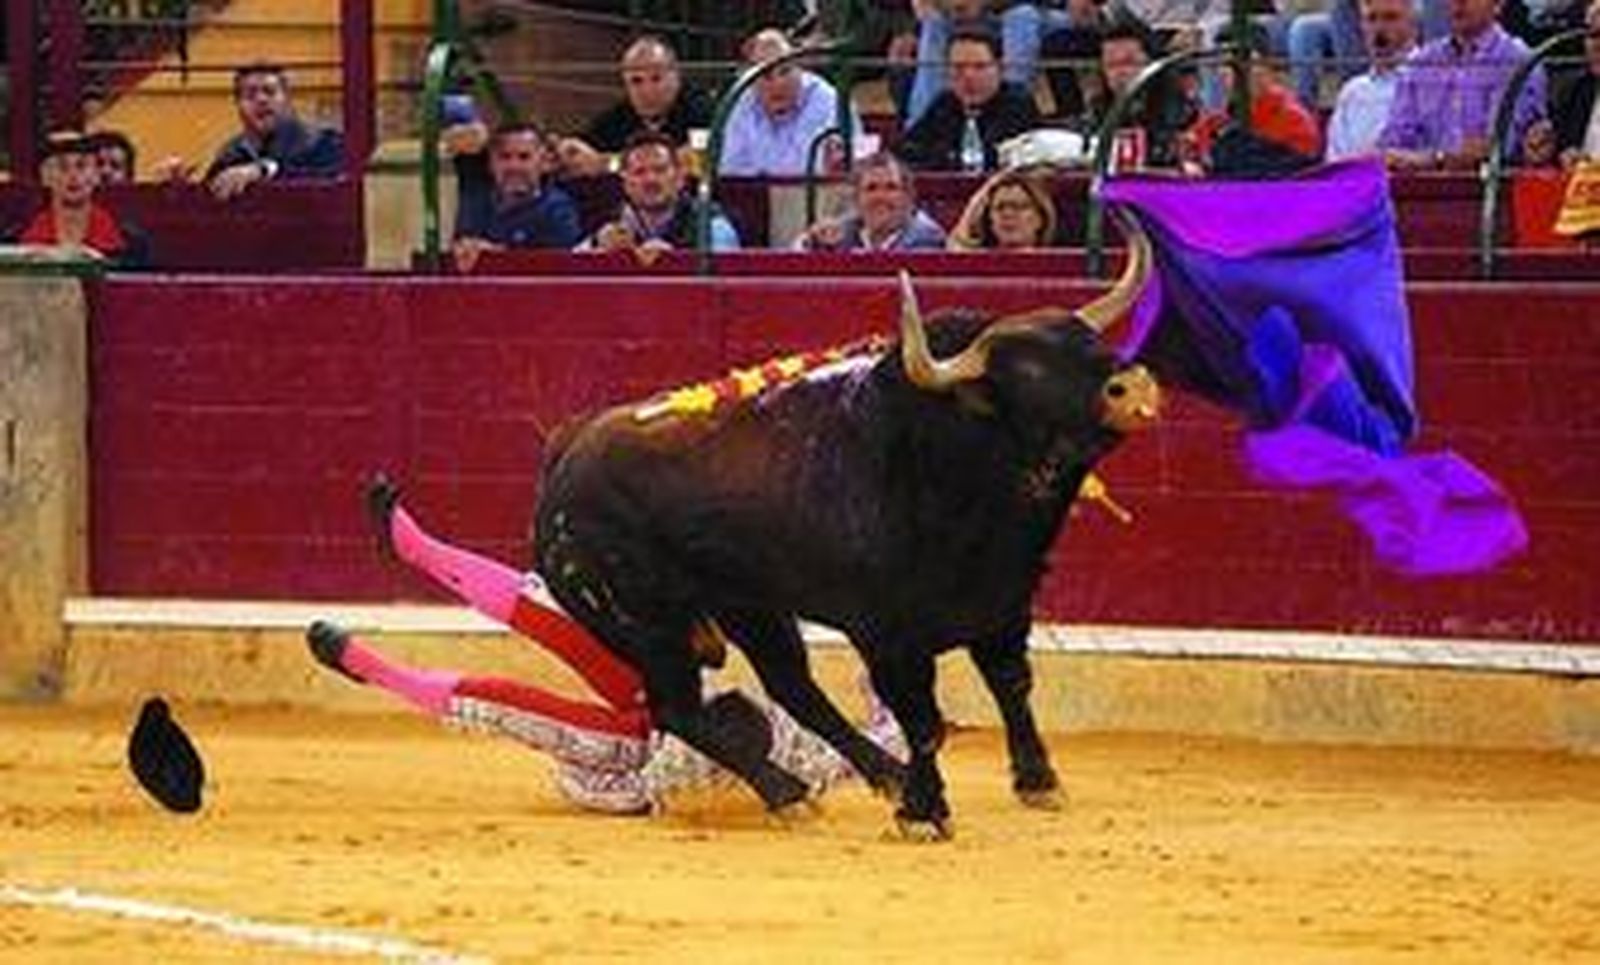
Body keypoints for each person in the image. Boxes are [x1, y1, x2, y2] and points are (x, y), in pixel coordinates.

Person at [307, 477, 904, 814]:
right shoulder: (806, 743)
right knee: (552, 616)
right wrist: (884, 689)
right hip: (668, 702)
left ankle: (378, 672)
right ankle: (420, 551)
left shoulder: (812, 762)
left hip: (633, 759)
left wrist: (592, 784)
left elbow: (607, 790)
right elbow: (886, 737)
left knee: (514, 705)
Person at [1377, 0, 1548, 168]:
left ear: (1498, 4)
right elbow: (1393, 142)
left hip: (1490, 190)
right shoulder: (1423, 62)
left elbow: (1497, 145)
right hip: (1418, 189)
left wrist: (1435, 159)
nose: (1458, 2)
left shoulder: (1517, 61)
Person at [555, 35, 714, 178]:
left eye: (656, 79)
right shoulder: (619, 116)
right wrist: (569, 148)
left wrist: (605, 164)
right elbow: (584, 146)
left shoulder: (700, 108)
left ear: (676, 77)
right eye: (636, 81)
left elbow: (694, 161)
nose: (647, 90)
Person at [576, 130, 740, 262]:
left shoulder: (710, 222)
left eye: (660, 170)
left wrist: (676, 260)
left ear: (679, 178)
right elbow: (571, 265)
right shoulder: (608, 221)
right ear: (625, 183)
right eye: (639, 172)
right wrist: (595, 244)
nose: (650, 179)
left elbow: (724, 266)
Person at [719, 28, 862, 177]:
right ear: (750, 79)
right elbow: (729, 169)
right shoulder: (738, 103)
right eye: (766, 76)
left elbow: (842, 169)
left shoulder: (829, 102)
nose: (778, 84)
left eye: (785, 71)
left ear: (799, 67)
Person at [1182, 23, 1322, 173]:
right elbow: (1184, 153)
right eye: (1224, 64)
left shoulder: (1295, 122)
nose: (1229, 72)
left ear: (1265, 65)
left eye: (1240, 62)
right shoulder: (1214, 122)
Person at [899, 26, 1044, 171]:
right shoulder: (945, 103)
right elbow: (907, 149)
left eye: (979, 67)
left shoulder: (1017, 103)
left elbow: (992, 156)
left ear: (1000, 68)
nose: (968, 76)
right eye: (958, 67)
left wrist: (943, 155)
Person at [450, 120, 582, 272]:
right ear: (491, 163)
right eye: (504, 157)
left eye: (524, 157)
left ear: (544, 162)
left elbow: (558, 269)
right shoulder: (476, 201)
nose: (514, 166)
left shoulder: (558, 210)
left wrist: (497, 256)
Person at [3, 131, 148, 268]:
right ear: (45, 176)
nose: (73, 176)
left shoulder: (130, 243)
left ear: (96, 175)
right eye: (62, 167)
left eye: (81, 166)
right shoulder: (16, 240)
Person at [201, 62, 346, 199]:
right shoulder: (230, 154)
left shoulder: (323, 142)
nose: (261, 100)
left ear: (287, 99)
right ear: (238, 104)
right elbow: (209, 194)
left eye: (270, 92)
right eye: (250, 95)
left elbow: (324, 180)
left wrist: (263, 170)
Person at [1068, 19, 1198, 169]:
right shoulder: (1099, 108)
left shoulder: (1176, 106)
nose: (1120, 72)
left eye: (1129, 62)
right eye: (1111, 65)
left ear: (1151, 64)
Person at [793, 151, 948, 251]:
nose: (881, 197)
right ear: (856, 199)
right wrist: (813, 239)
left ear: (908, 197)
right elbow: (798, 251)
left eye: (891, 188)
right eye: (871, 188)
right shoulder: (845, 229)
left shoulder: (927, 238)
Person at [1325, 0, 1419, 159]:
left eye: (1391, 18)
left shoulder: (1433, 81)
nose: (1379, 28)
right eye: (1371, 19)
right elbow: (1336, 162)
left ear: (1413, 26)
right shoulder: (1352, 93)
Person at [1524, 0, 1600, 166]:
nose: (1595, 45)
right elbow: (1555, 155)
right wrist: (1544, 153)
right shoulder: (1577, 91)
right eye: (1591, 34)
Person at [947, 167, 1060, 249]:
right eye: (1000, 207)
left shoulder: (1060, 265)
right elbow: (958, 241)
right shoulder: (977, 261)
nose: (1007, 214)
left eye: (1018, 207)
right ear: (990, 219)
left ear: (1040, 219)